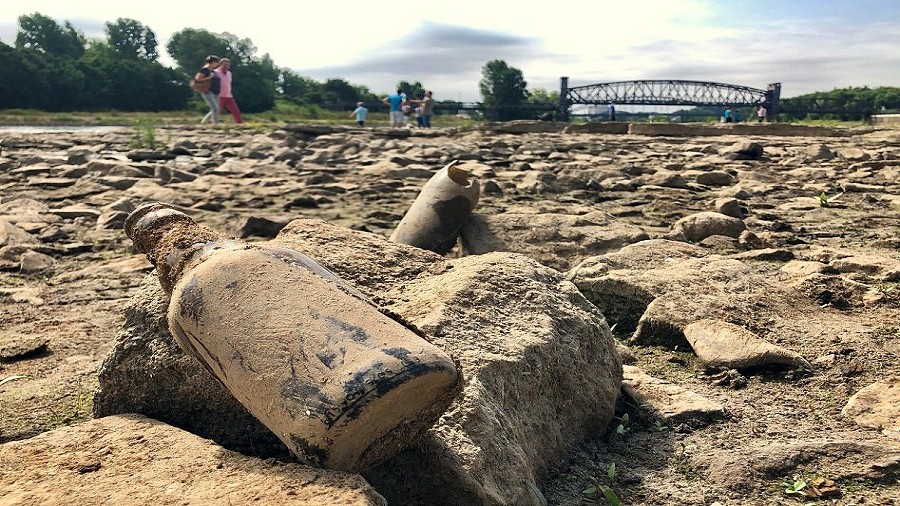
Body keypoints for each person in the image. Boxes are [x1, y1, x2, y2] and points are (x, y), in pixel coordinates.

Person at [215, 58, 243, 124]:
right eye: (224, 65)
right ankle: (210, 123)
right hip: (219, 96)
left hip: (228, 96)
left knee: (235, 110)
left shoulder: (229, 73)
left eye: (228, 65)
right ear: (220, 65)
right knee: (216, 111)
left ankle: (240, 123)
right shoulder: (215, 72)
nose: (226, 66)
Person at [195, 55, 221, 125]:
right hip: (208, 91)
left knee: (215, 108)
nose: (218, 64)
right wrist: (209, 77)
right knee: (215, 108)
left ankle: (204, 122)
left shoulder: (213, 70)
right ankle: (215, 124)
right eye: (216, 62)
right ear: (212, 62)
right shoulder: (204, 69)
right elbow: (197, 79)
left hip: (216, 92)